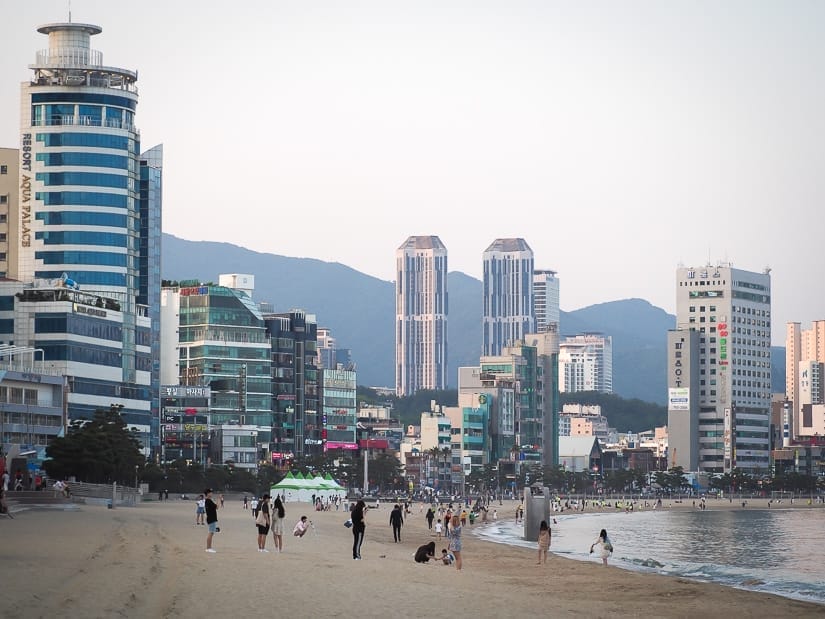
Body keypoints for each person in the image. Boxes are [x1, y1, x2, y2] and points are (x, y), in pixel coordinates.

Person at [204, 488, 220, 553]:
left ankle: (208, 548)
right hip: (211, 518)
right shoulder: (208, 501)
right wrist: (219, 499)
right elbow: (217, 507)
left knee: (211, 532)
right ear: (208, 493)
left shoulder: (208, 501)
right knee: (211, 533)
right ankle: (208, 548)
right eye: (210, 492)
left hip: (210, 518)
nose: (211, 493)